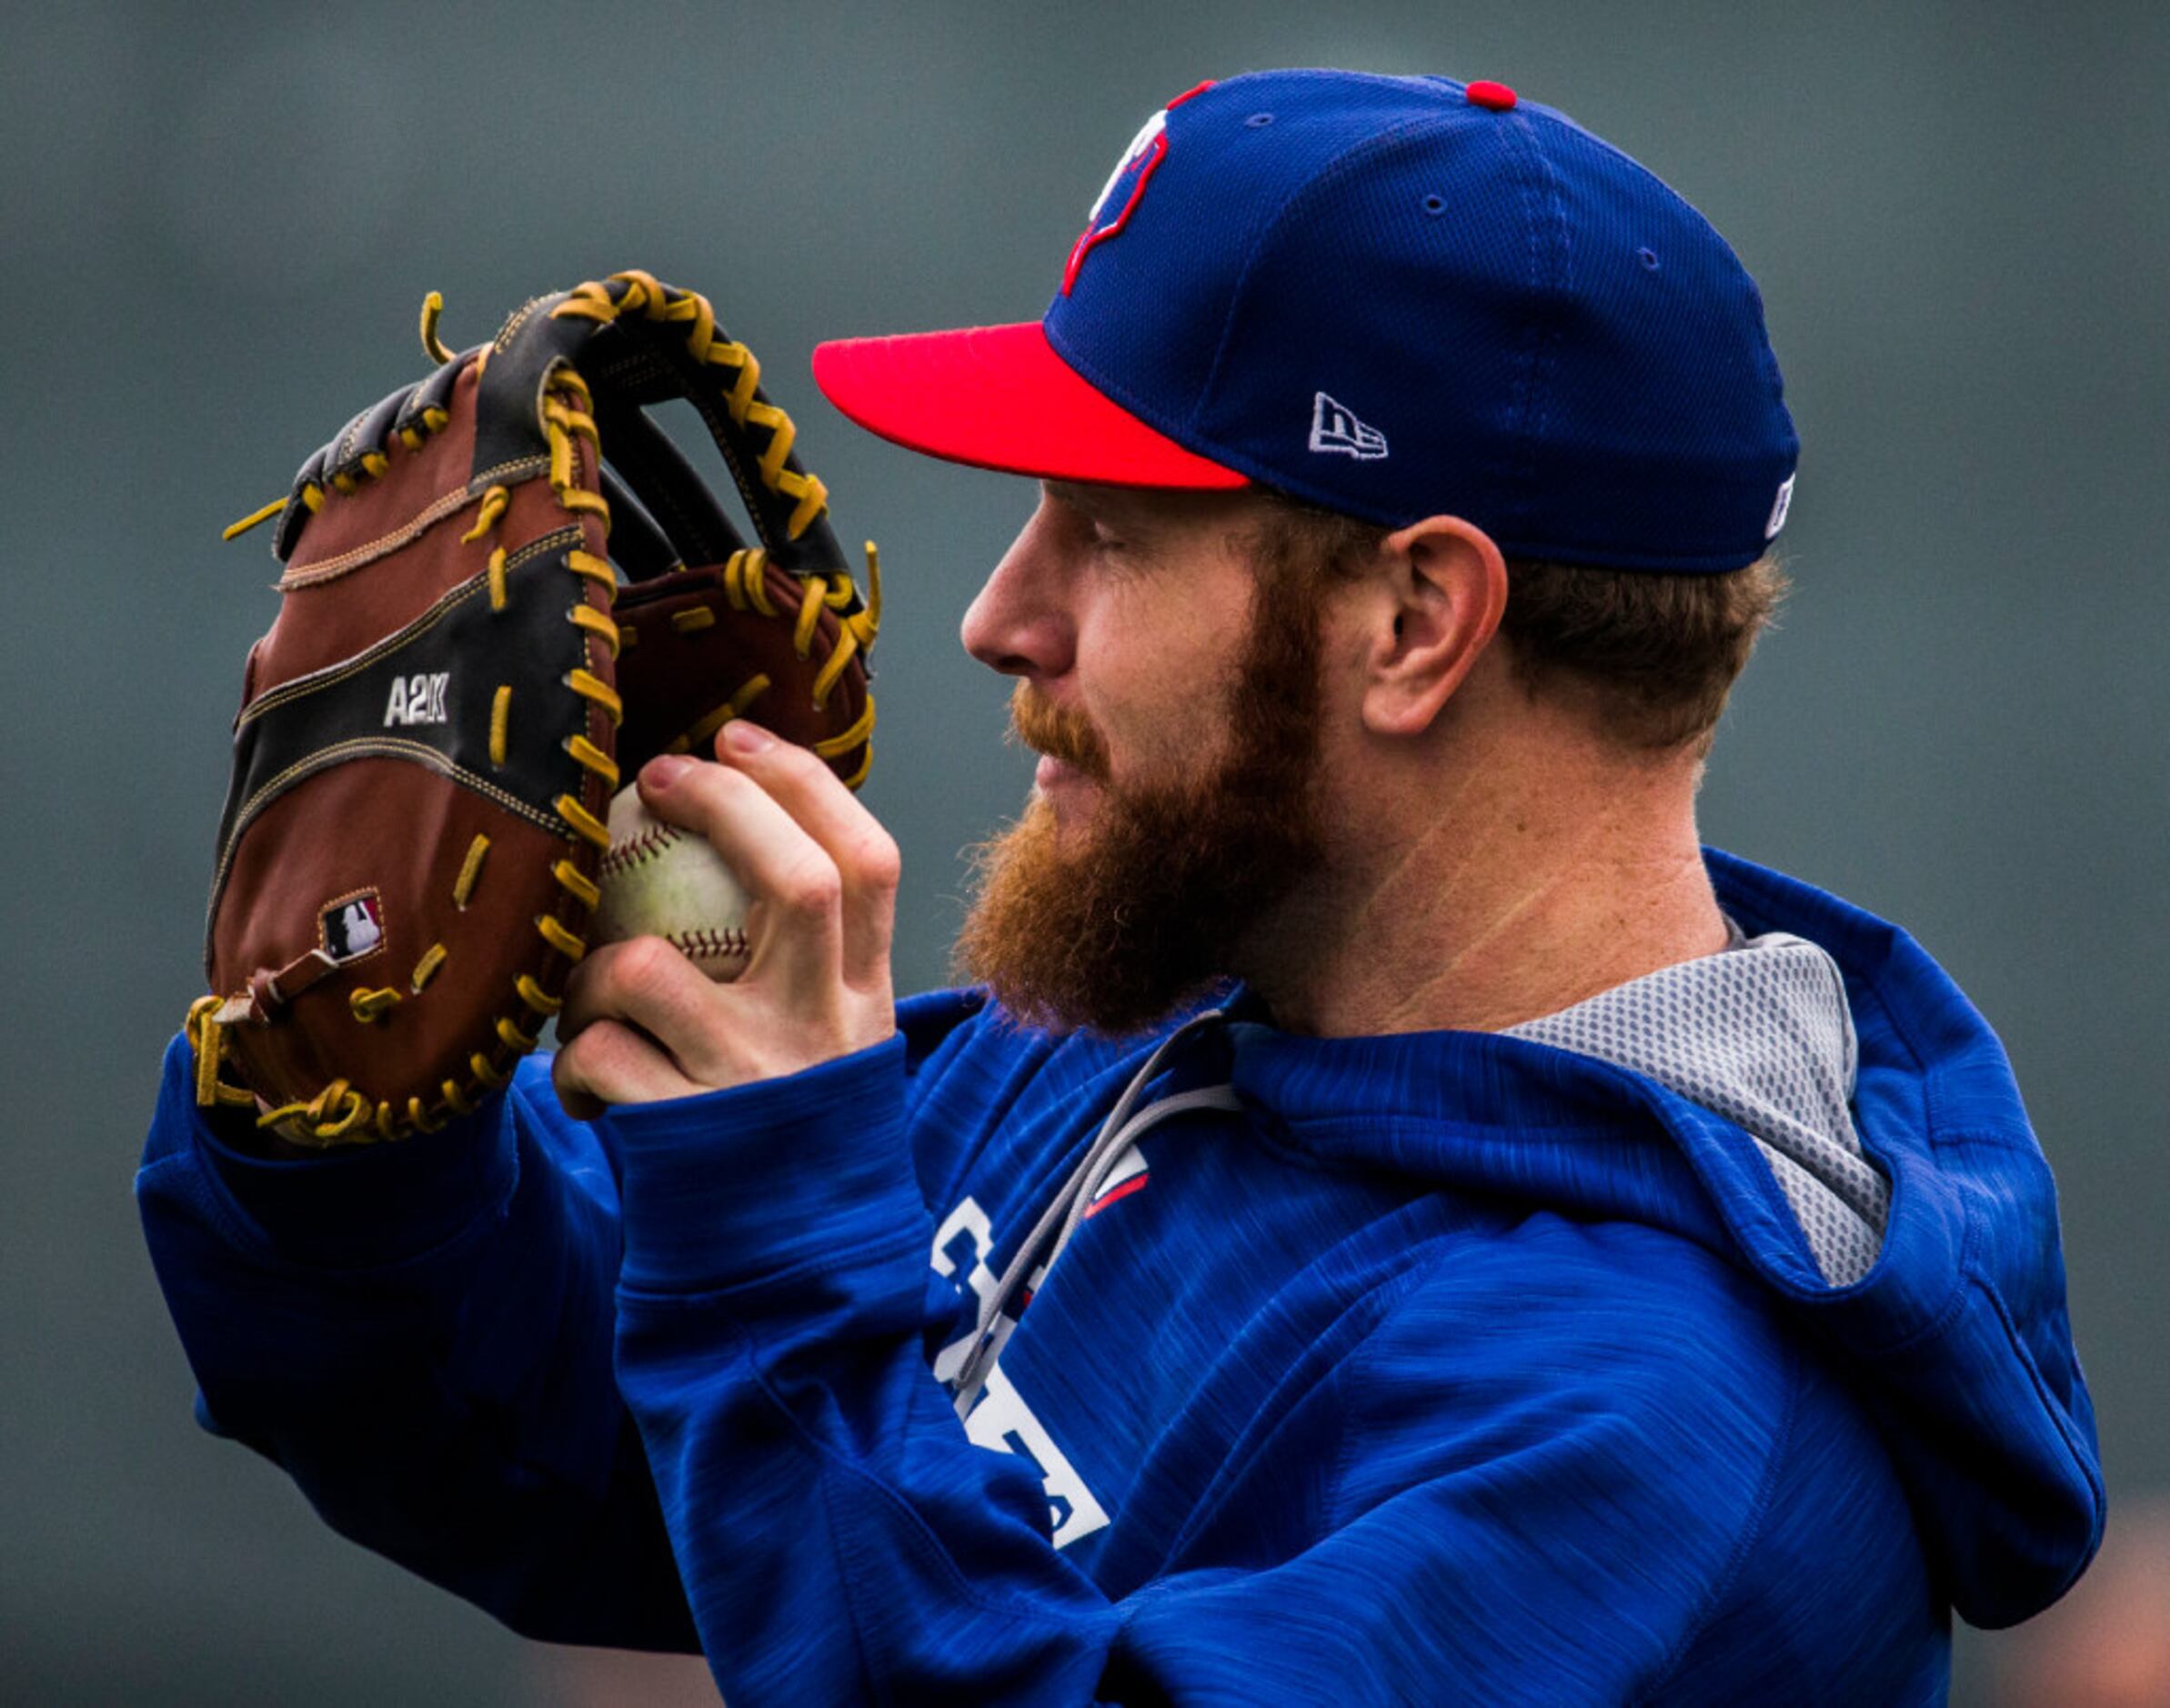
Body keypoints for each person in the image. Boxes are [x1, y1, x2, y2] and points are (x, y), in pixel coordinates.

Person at [139, 69, 2103, 1703]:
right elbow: (572, 1441)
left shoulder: (1651, 1436)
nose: (998, 616)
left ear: (1415, 619)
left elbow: (811, 1420)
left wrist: (769, 1226)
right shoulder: (1151, 1040)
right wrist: (347, 1120)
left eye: (1102, 531)